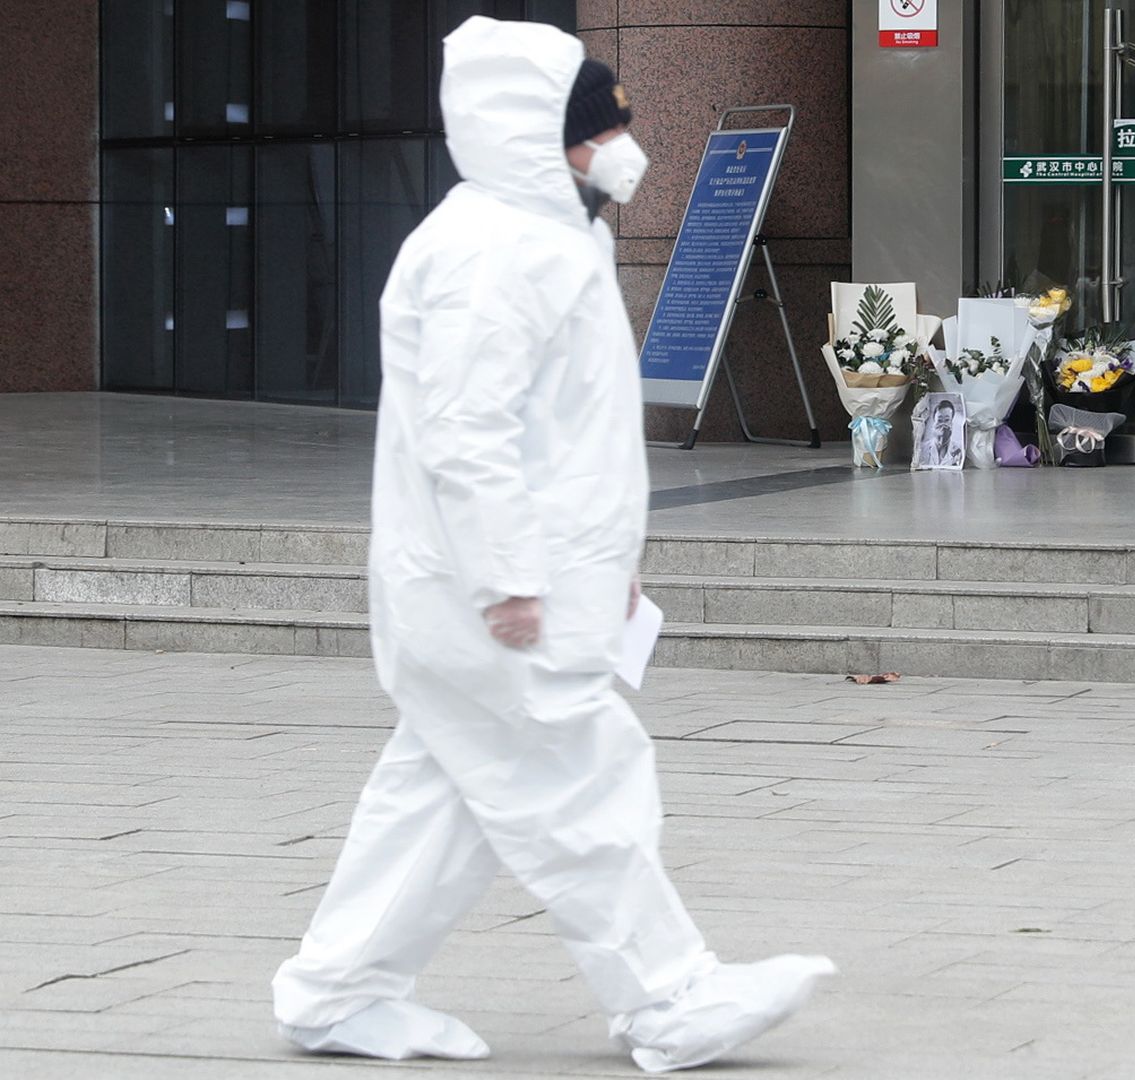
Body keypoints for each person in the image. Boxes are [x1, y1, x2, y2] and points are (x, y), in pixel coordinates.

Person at [269, 16, 832, 1074]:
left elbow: (572, 436)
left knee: (442, 800)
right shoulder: (491, 252)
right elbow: (467, 437)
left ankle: (336, 991)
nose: (628, 137)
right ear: (545, 135)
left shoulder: (550, 235)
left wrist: (604, 573)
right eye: (611, 122)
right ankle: (670, 998)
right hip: (488, 596)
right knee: (583, 782)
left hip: (518, 585)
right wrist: (510, 582)